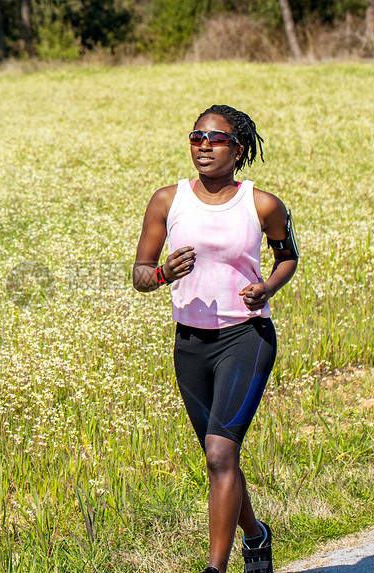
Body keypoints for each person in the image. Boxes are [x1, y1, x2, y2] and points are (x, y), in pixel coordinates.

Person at [132, 105, 298, 573]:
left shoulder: (262, 204)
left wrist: (267, 286)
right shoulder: (168, 200)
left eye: (215, 138)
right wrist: (163, 273)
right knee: (215, 456)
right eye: (196, 136)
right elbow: (140, 275)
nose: (203, 145)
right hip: (190, 344)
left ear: (238, 149)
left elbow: (288, 257)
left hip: (246, 337)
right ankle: (256, 534)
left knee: (222, 452)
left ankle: (215, 569)